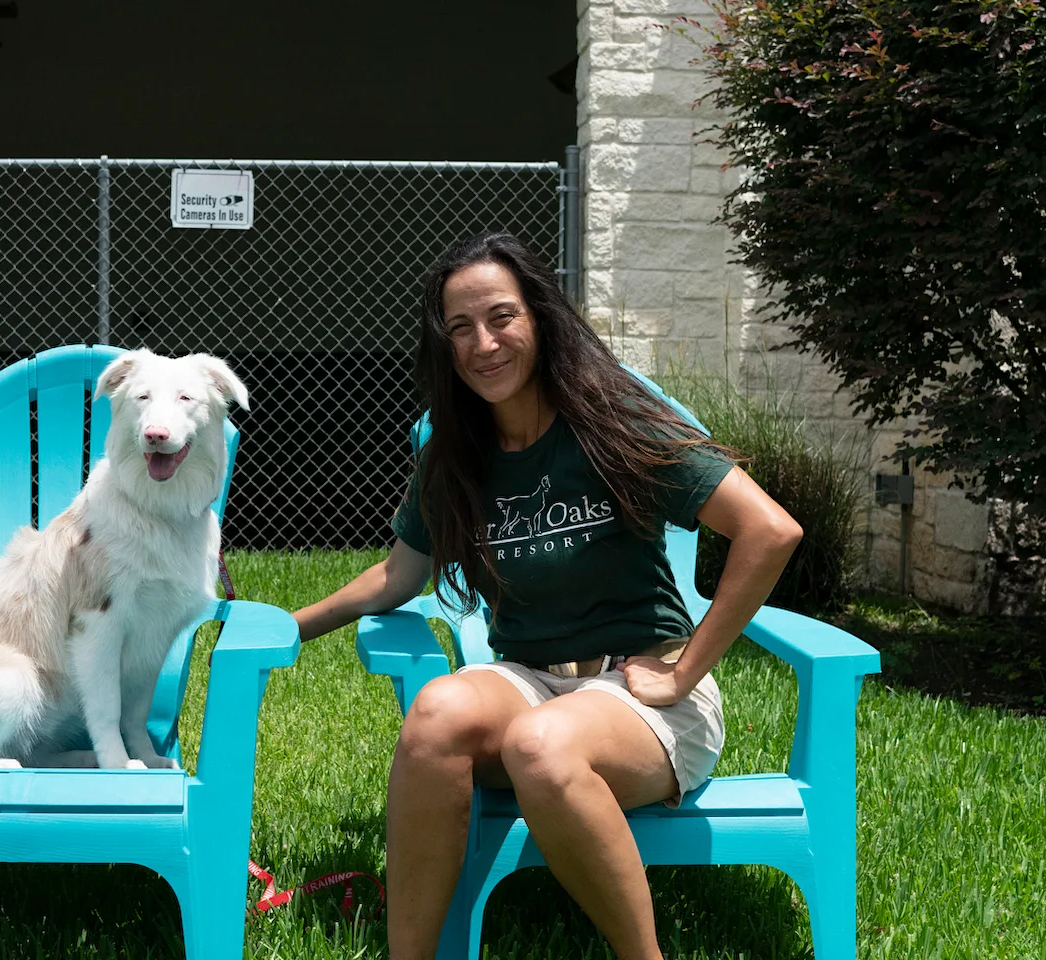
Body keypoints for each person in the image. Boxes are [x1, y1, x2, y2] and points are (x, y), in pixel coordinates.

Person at [292, 231, 803, 960]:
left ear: (539, 317)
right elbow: (402, 575)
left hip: (643, 692)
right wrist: (292, 625)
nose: (483, 344)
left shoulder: (612, 419)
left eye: (501, 317)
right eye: (460, 328)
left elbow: (769, 530)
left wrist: (685, 668)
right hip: (529, 677)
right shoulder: (452, 449)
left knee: (539, 744)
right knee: (436, 712)